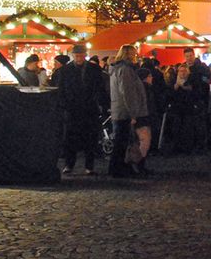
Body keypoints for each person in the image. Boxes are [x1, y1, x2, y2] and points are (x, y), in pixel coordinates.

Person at [50, 44, 106, 174]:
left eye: (81, 56)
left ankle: (89, 166)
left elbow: (99, 88)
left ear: (85, 55)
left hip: (89, 107)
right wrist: (64, 104)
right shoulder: (66, 70)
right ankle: (69, 164)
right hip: (72, 108)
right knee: (70, 138)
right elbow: (61, 90)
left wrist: (100, 103)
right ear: (73, 56)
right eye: (77, 56)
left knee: (90, 138)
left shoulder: (93, 69)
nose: (79, 58)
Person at [107, 46, 149, 178]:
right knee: (122, 142)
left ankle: (121, 167)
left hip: (120, 110)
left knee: (123, 141)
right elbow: (128, 93)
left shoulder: (119, 69)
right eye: (133, 54)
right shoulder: (125, 70)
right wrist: (133, 113)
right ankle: (117, 168)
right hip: (124, 111)